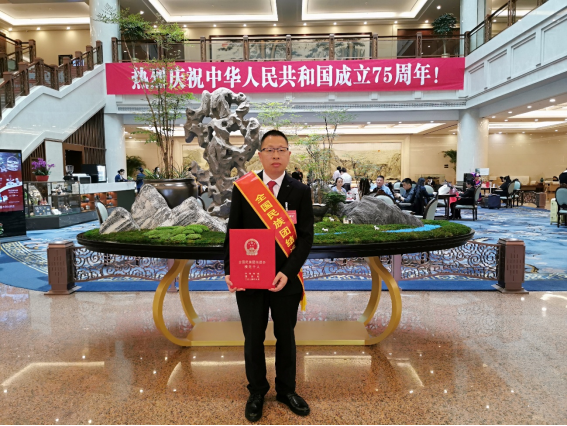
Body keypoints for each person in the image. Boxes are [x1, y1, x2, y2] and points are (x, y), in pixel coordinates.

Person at [224, 129, 314, 423]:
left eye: (281, 149)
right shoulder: (244, 188)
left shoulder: (300, 191)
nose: (276, 155)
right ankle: (257, 392)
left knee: (286, 336)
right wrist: (230, 270)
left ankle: (287, 390)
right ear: (260, 155)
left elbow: (305, 238)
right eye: (269, 149)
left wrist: (288, 272)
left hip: (286, 280)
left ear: (288, 154)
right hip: (250, 277)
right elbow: (233, 231)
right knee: (253, 337)